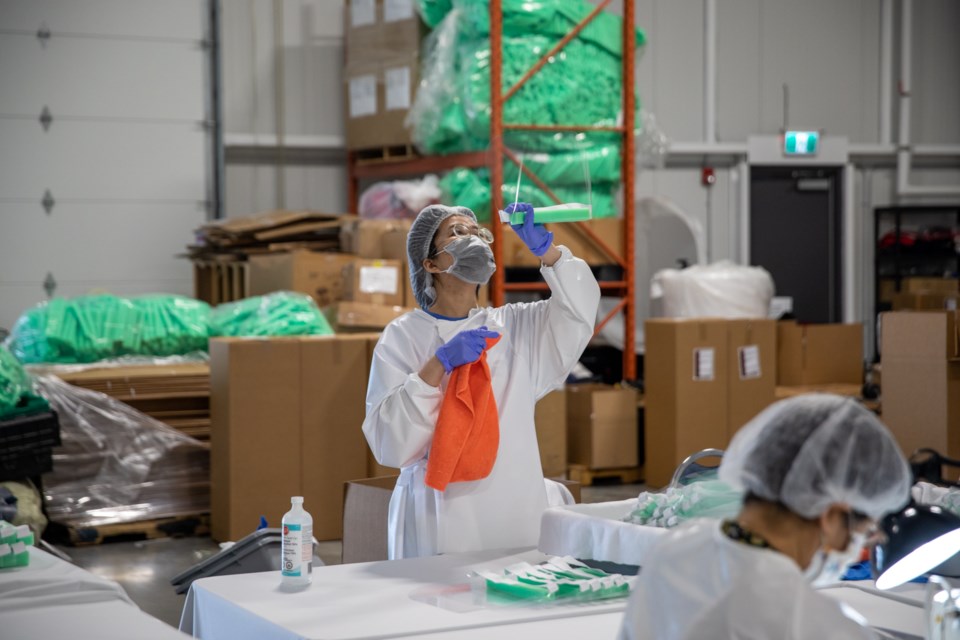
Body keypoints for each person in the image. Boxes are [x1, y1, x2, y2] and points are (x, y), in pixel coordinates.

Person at [362, 202, 600, 559]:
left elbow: (578, 314)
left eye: (477, 233)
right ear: (430, 263)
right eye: (457, 233)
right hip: (440, 510)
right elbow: (390, 444)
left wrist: (550, 255)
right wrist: (436, 367)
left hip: (514, 500)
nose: (472, 239)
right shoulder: (403, 337)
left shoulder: (515, 327)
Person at [618, 394, 912, 640]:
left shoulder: (674, 551)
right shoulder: (812, 623)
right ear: (832, 516)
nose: (858, 547)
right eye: (863, 532)